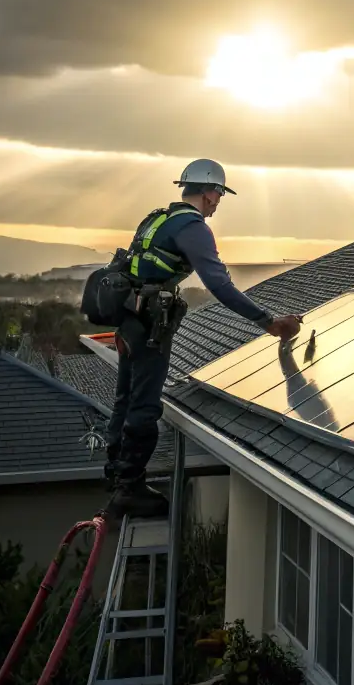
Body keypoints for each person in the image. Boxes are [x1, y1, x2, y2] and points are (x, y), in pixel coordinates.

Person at [105, 159, 302, 518]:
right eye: (219, 195)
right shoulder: (193, 228)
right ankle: (128, 487)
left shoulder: (157, 218)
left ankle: (115, 473)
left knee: (124, 397)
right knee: (145, 406)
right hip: (149, 326)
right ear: (210, 192)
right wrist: (269, 322)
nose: (218, 202)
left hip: (128, 319)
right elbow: (220, 286)